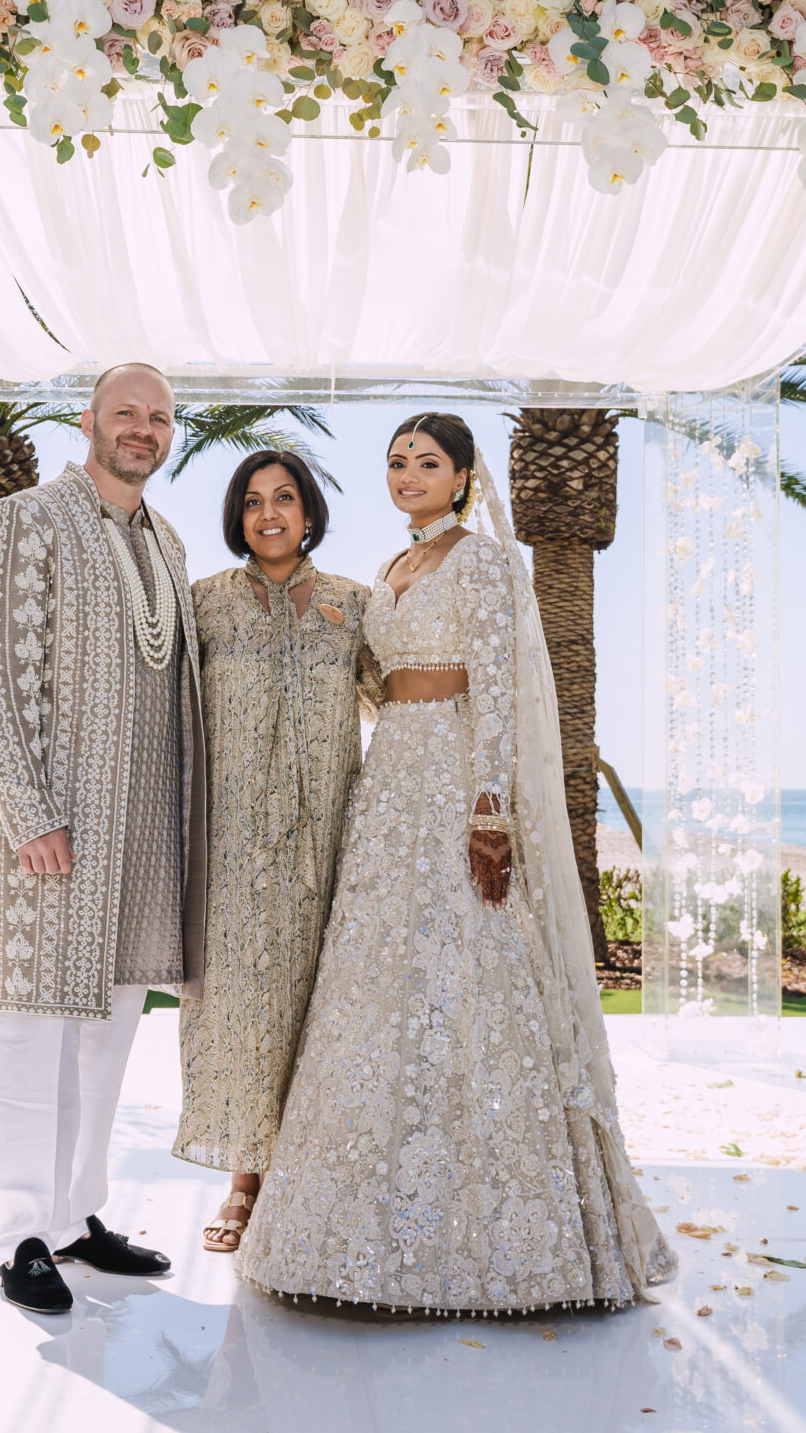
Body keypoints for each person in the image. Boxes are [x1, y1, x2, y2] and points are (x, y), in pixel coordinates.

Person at [237, 412, 676, 1314]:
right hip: (391, 778)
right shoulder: (391, 567)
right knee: (378, 976)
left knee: (469, 967)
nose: (408, 475)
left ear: (465, 477)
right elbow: (380, 683)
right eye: (397, 461)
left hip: (452, 779)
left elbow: (501, 683)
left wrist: (490, 806)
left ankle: (500, 1234)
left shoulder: (484, 562)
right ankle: (352, 1223)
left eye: (428, 463)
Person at [0, 362, 207, 1314]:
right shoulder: (26, 518)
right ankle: (19, 1234)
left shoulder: (167, 542)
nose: (143, 428)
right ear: (90, 422)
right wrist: (29, 809)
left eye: (159, 417)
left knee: (107, 1037)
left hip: (143, 836)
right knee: (30, 1031)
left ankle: (73, 1217)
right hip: (53, 829)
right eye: (126, 412)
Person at [175, 450, 379, 1254]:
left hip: (327, 841)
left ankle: (313, 1177)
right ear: (237, 515)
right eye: (253, 500)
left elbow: (399, 702)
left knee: (319, 1003)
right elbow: (170, 712)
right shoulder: (205, 604)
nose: (269, 514)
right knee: (237, 1008)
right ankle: (244, 1180)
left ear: (309, 511)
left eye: (285, 497)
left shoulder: (353, 604)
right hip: (229, 849)